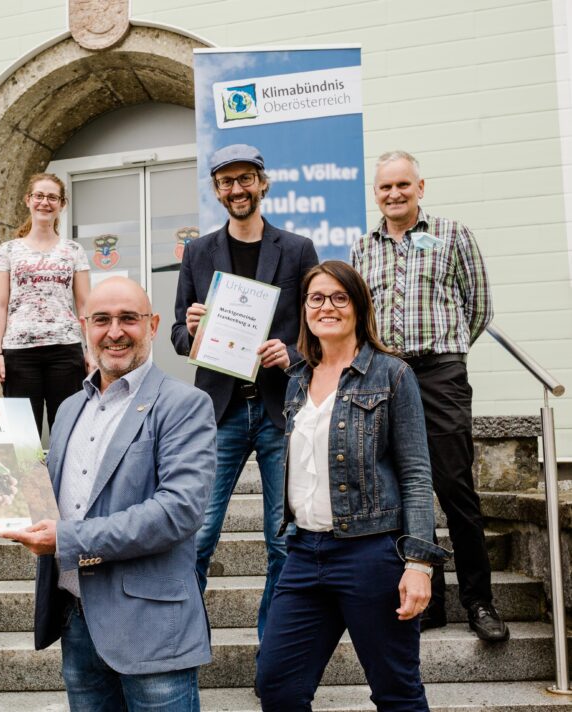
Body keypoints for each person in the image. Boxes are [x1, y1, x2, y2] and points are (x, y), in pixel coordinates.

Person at [1, 277, 217, 712]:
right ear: (85, 326)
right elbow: (44, 494)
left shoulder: (184, 404)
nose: (114, 331)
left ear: (153, 325)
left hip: (150, 624)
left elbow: (178, 511)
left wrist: (67, 540)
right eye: (101, 319)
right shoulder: (67, 409)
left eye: (128, 319)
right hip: (76, 619)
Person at [256, 261, 450, 710]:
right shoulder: (297, 380)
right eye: (316, 298)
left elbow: (418, 474)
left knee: (396, 692)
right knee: (277, 686)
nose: (328, 307)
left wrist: (420, 564)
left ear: (359, 306)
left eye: (339, 297)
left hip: (372, 554)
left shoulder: (392, 375)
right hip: (303, 554)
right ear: (304, 310)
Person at [351, 150, 508, 642]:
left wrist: (448, 352)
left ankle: (479, 602)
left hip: (440, 371)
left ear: (421, 186)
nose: (393, 194)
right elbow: (362, 317)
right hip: (388, 374)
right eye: (384, 187)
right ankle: (431, 601)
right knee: (400, 490)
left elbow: (478, 305)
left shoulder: (453, 235)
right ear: (375, 193)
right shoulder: (362, 248)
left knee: (455, 487)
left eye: (402, 185)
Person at [172, 144, 319, 638]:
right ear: (216, 190)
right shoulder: (197, 252)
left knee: (283, 544)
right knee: (198, 538)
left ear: (262, 182)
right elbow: (175, 333)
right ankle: (186, 643)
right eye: (226, 182)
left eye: (244, 180)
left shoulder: (297, 249)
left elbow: (316, 326)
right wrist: (192, 329)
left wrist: (294, 355)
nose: (236, 189)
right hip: (220, 411)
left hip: (282, 410)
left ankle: (271, 652)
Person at [0, 172, 91, 436]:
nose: (45, 202)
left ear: (62, 204)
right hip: (19, 354)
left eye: (52, 197)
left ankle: (64, 479)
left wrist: (92, 351)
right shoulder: (8, 250)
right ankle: (27, 480)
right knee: (23, 437)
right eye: (39, 196)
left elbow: (85, 305)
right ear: (28, 200)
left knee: (68, 432)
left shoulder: (74, 251)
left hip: (66, 351)